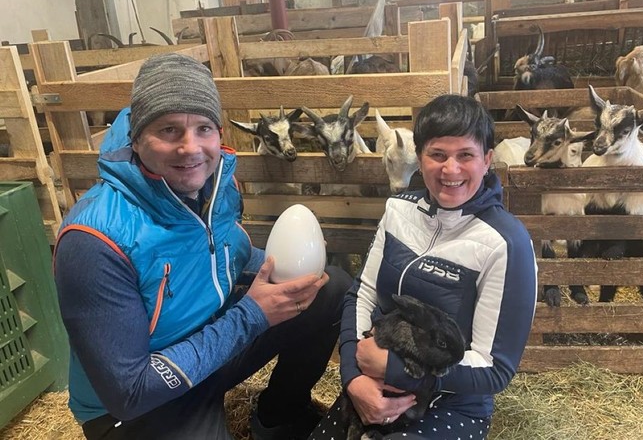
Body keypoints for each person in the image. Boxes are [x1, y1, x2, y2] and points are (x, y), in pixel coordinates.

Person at [53, 53, 352, 440]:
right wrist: (251, 316)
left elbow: (225, 254)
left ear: (218, 134)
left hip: (209, 351)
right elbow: (129, 393)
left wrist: (291, 261)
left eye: (203, 128)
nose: (190, 148)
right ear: (137, 138)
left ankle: (279, 415)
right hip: (140, 404)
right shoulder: (94, 240)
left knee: (329, 288)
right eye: (169, 130)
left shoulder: (214, 187)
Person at [311, 94, 538, 439]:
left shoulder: (506, 243)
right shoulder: (398, 211)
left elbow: (495, 368)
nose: (451, 169)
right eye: (438, 154)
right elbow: (363, 294)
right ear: (419, 158)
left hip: (453, 402)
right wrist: (353, 377)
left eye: (466, 155)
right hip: (374, 384)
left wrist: (397, 370)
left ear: (487, 159)